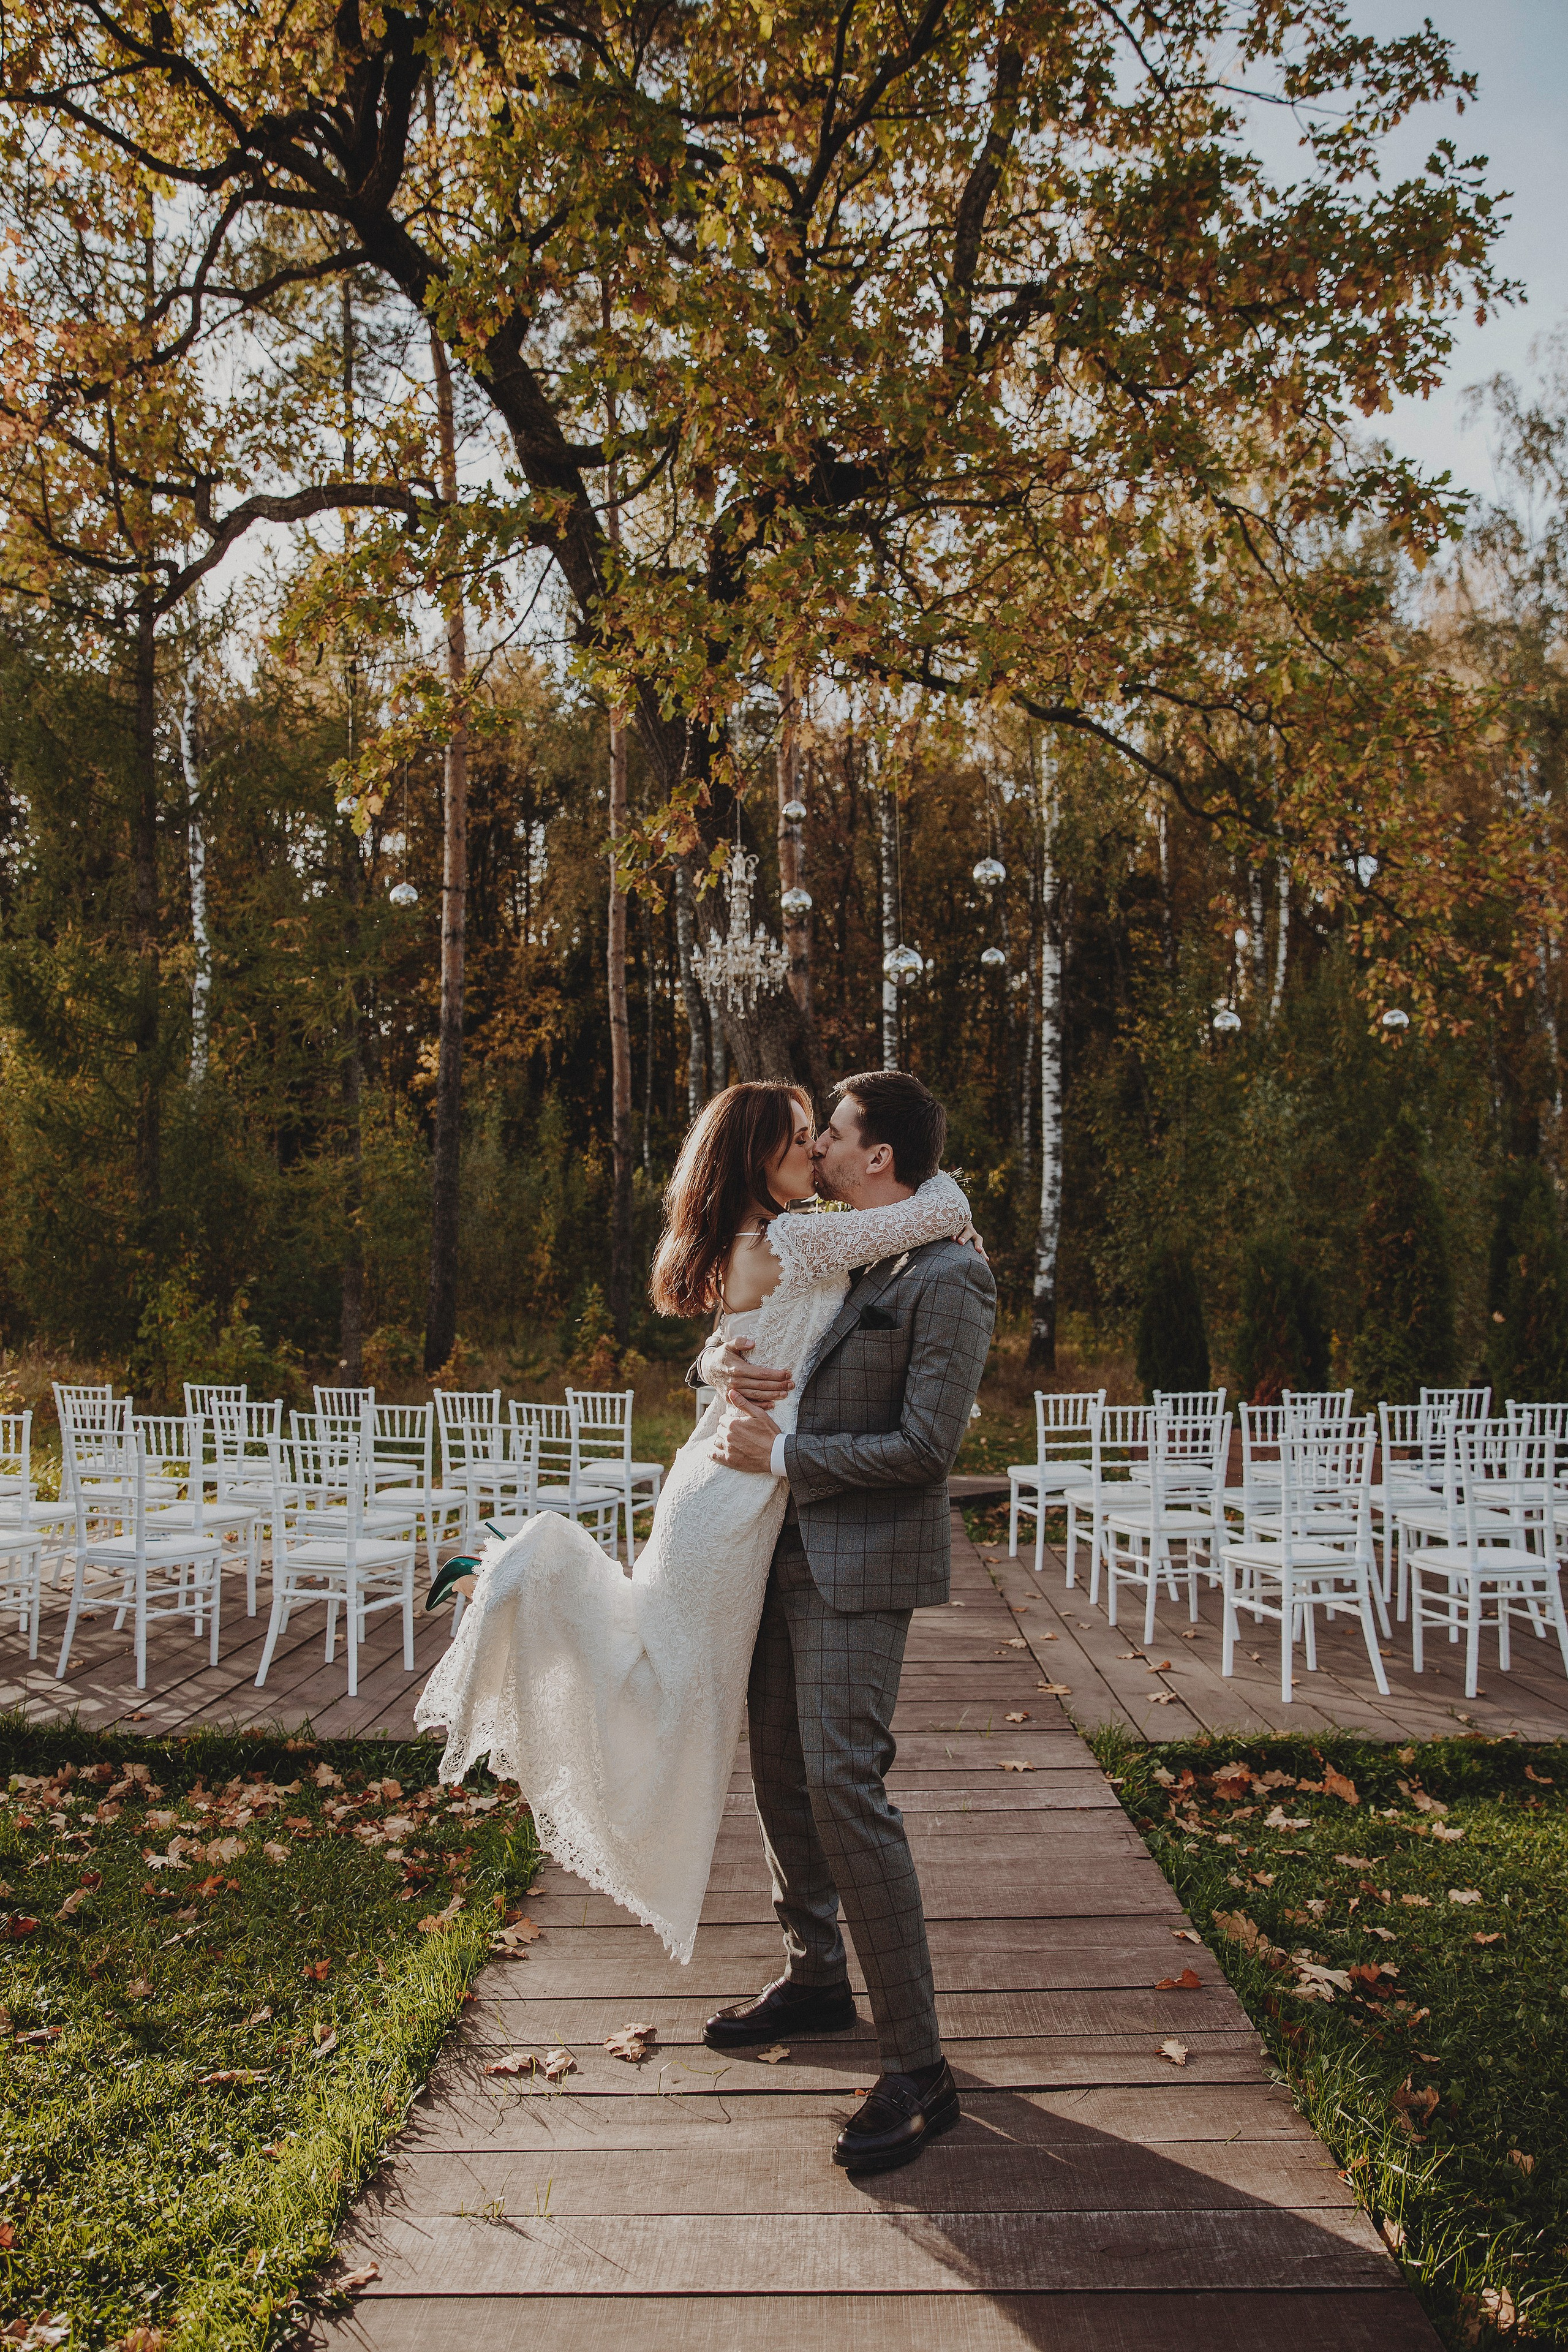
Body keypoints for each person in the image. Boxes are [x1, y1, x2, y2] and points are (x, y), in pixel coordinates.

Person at [413, 1079, 978, 2032]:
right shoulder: (800, 1239)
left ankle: (519, 1583)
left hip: (746, 1496)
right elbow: (935, 1208)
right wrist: (950, 1201)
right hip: (733, 1503)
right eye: (802, 1139)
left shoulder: (791, 1241)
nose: (816, 1152)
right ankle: (519, 1585)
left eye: (824, 1135)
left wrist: (723, 1364)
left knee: (700, 1695)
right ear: (762, 1158)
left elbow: (756, 1338)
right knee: (676, 1688)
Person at [699, 1069, 995, 2174]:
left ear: (880, 1157)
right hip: (770, 1553)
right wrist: (723, 1364)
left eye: (833, 1133)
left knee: (842, 1786)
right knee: (778, 1772)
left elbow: (927, 1452)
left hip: (859, 1565)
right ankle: (816, 1976)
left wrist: (782, 1454)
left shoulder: (952, 1277)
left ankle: (920, 2066)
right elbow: (751, 1331)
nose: (815, 1146)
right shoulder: (833, 1245)